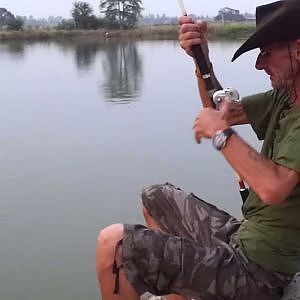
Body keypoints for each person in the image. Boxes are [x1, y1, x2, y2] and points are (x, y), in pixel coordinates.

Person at [96, 0, 300, 299]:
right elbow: (220, 109)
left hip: (260, 274)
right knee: (156, 197)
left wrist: (220, 134)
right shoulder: (286, 98)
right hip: (247, 238)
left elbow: (274, 187)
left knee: (113, 243)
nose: (259, 63)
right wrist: (200, 59)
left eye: (267, 52)